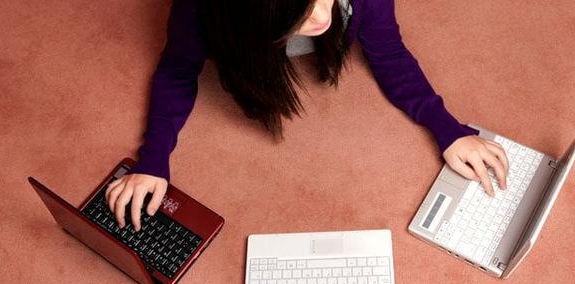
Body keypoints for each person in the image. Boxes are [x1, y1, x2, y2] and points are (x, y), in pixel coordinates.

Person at [105, 0, 509, 231]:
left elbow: (389, 53)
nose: (322, 15)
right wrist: (153, 160)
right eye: (302, 10)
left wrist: (448, 129)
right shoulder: (202, 11)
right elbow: (177, 71)